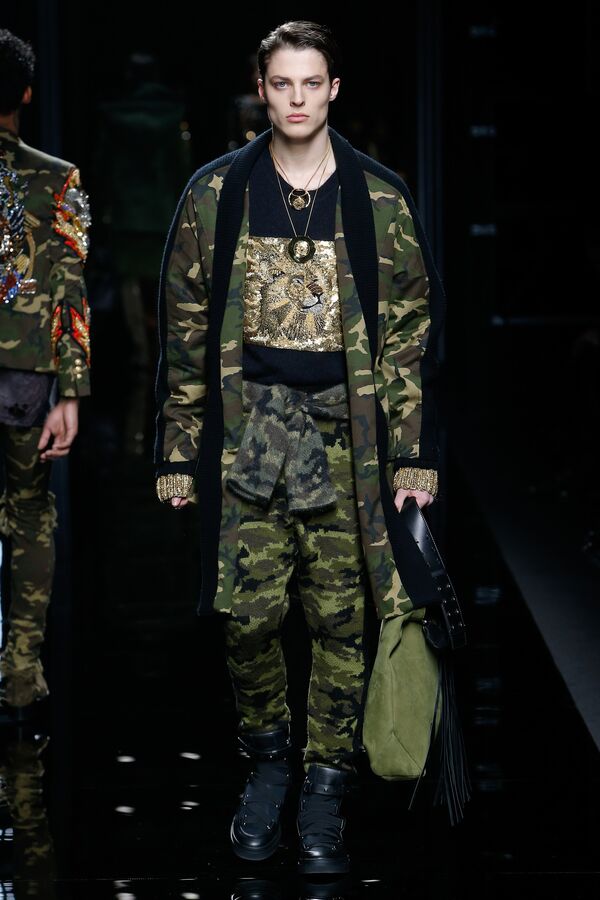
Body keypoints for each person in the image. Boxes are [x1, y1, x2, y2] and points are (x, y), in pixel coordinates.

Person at [154, 20, 444, 875]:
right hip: (253, 432)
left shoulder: (379, 198)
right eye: (282, 84)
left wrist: (412, 455)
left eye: (311, 83)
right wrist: (178, 451)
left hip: (345, 439)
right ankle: (269, 762)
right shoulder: (217, 193)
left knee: (341, 619)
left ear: (334, 89)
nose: (296, 100)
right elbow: (184, 331)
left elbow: (409, 338)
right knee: (247, 620)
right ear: (261, 88)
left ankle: (325, 781)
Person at [0, 29, 92, 710]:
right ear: (26, 94)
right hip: (26, 372)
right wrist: (72, 390)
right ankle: (20, 672)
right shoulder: (57, 179)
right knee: (30, 514)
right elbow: (70, 289)